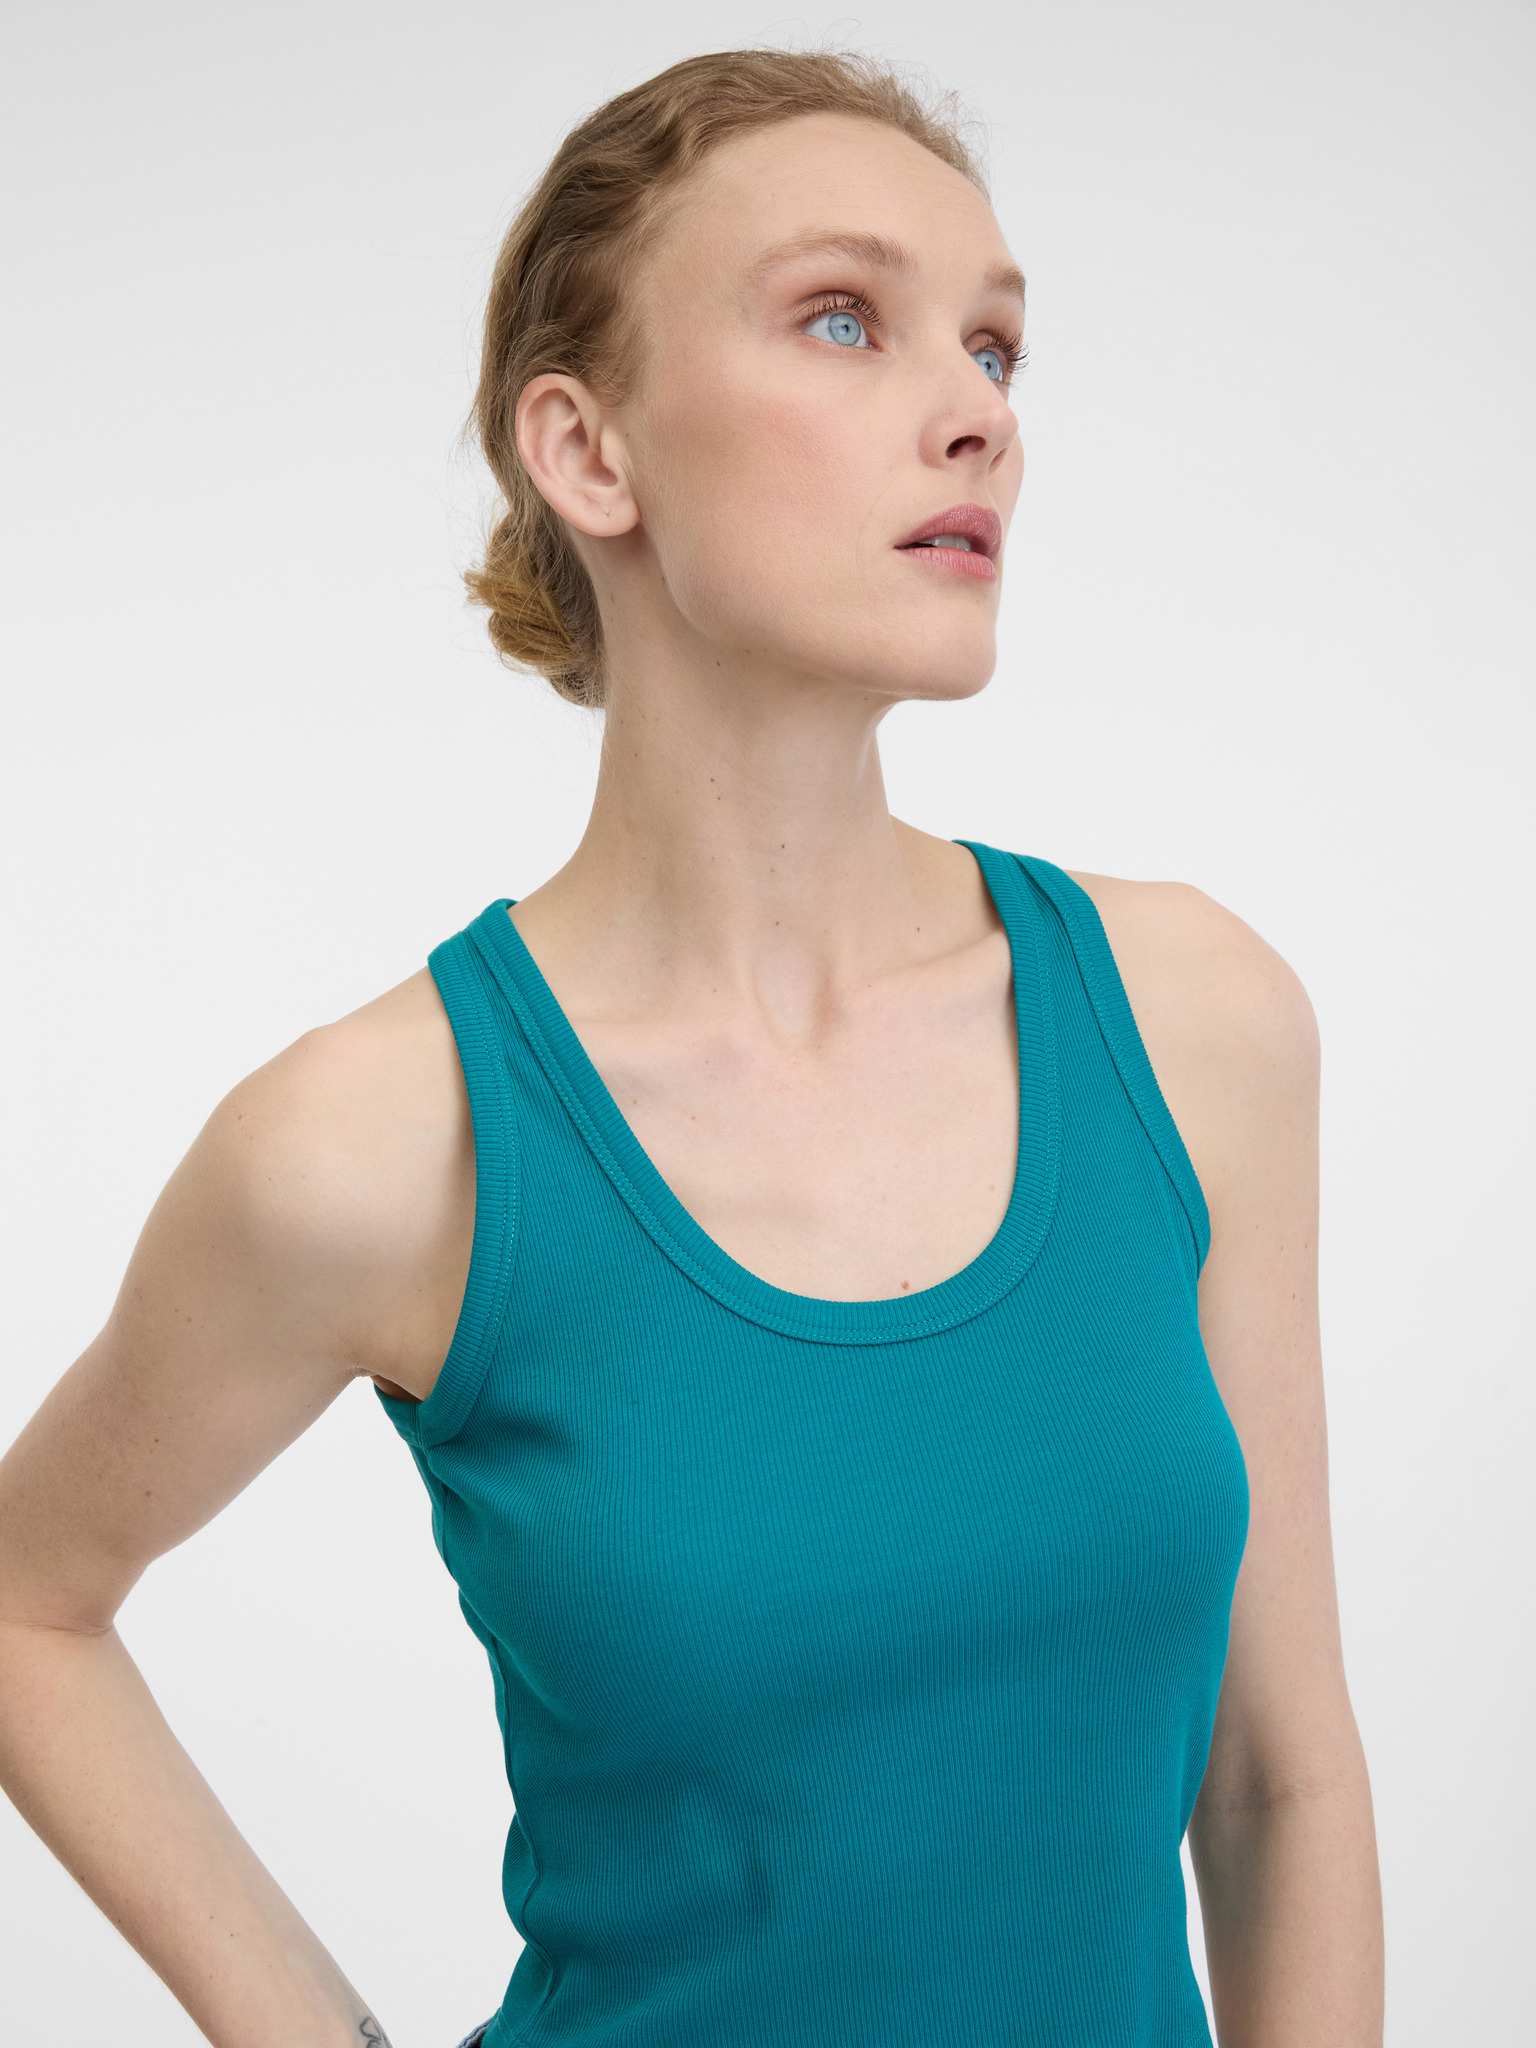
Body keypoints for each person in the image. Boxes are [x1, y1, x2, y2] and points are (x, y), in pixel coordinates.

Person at [0, 47, 1384, 2048]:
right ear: (589, 452)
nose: (979, 412)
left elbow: (1274, 1786)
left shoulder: (1194, 1023)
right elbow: (26, 1603)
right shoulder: (383, 1146)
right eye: (844, 318)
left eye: (996, 346)